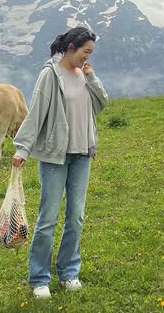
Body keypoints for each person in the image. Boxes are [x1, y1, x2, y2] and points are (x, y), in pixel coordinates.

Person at [12, 25, 108, 300]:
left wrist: (92, 78)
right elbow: (37, 112)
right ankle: (40, 278)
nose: (87, 58)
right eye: (85, 52)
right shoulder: (50, 75)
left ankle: (69, 273)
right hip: (56, 155)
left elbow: (101, 104)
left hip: (82, 154)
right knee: (48, 218)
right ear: (71, 48)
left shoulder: (84, 75)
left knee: (76, 217)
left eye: (91, 53)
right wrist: (23, 149)